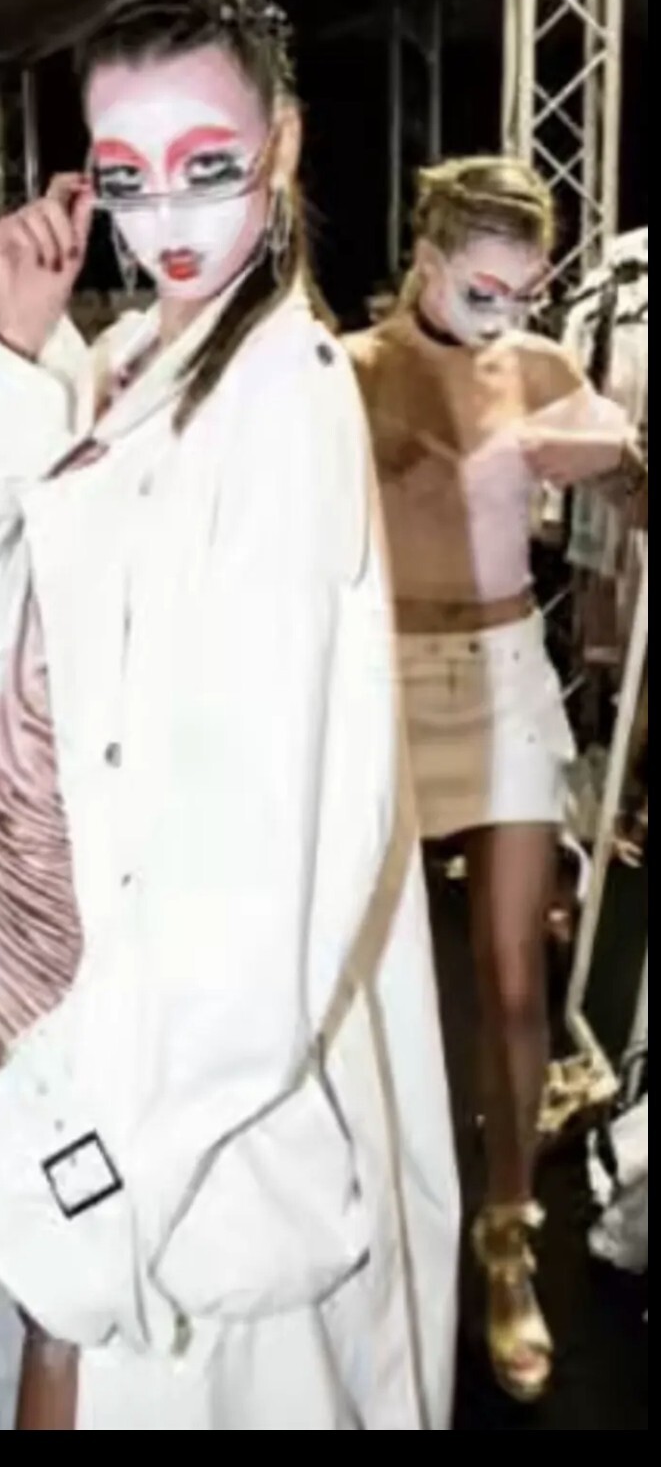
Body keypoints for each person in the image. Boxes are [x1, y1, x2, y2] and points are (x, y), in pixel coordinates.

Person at [0, 0, 459, 1431]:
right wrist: (9, 343)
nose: (165, 216)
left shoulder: (284, 401)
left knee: (91, 1345)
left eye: (206, 164)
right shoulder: (135, 357)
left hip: (133, 1007)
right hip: (20, 939)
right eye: (125, 175)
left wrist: (119, 1124)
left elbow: (269, 846)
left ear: (283, 146)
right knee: (29, 1330)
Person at [347, 157, 646, 1404]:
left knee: (514, 973)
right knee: (367, 975)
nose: (503, 311)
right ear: (425, 255)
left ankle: (506, 1238)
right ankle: (372, 1222)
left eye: (523, 290)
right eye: (482, 286)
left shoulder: (536, 365)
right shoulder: (344, 372)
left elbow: (637, 501)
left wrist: (615, 462)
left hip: (506, 668)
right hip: (377, 679)